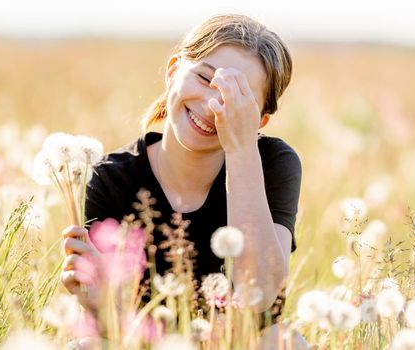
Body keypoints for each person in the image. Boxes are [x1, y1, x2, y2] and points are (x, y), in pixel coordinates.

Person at [61, 13, 304, 348]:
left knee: (283, 341)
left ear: (259, 120)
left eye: (236, 99)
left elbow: (259, 295)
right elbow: (112, 331)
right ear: (174, 70)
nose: (210, 105)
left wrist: (242, 147)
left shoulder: (272, 164)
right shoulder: (111, 179)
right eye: (205, 79)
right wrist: (97, 300)